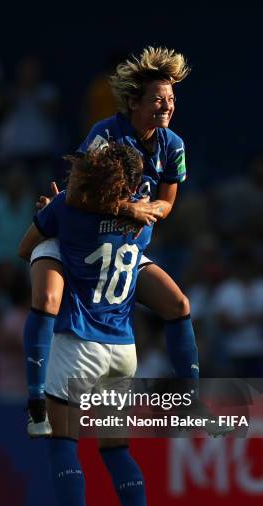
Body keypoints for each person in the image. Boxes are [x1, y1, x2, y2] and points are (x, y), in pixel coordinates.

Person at [23, 46, 200, 427]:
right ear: (133, 102)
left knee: (179, 305)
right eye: (158, 99)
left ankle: (191, 399)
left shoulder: (174, 146)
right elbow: (83, 193)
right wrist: (131, 209)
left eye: (171, 98)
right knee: (46, 299)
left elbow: (167, 201)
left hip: (126, 249)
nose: (167, 106)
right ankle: (38, 397)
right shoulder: (104, 134)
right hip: (87, 244)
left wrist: (151, 211)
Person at [19, 143, 159, 506]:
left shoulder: (66, 207)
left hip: (79, 342)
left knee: (61, 442)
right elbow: (108, 222)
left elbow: (28, 248)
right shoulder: (143, 223)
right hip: (123, 348)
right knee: (116, 449)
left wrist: (50, 216)